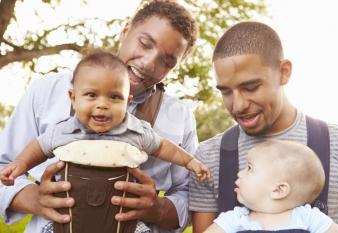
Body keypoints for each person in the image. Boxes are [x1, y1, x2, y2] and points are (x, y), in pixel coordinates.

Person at [0, 1, 199, 233]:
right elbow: (4, 166)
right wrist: (33, 198)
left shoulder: (180, 118)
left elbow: (192, 196)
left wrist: (157, 209)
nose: (148, 63)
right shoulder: (47, 91)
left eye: (166, 61)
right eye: (144, 43)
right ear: (125, 31)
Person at [189, 21, 338, 233]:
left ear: (284, 72)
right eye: (226, 91)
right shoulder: (207, 158)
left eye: (250, 87)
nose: (238, 105)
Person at [0, 51, 209, 186]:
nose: (102, 104)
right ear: (73, 98)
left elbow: (163, 147)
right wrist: (20, 164)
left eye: (114, 97)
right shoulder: (63, 130)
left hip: (119, 211)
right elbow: (38, 147)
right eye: (91, 95)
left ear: (127, 102)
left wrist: (190, 161)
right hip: (70, 209)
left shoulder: (136, 131)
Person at [203, 140, 338, 233]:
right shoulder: (235, 219)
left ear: (278, 190)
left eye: (249, 168)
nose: (239, 173)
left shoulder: (308, 218)